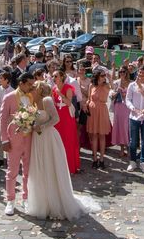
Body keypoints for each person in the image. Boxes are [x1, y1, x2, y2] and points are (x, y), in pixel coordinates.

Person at [25, 82, 97, 220]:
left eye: (34, 87)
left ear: (40, 89)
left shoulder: (46, 100)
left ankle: (55, 202)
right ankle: (42, 202)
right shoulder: (33, 102)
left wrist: (42, 127)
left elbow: (55, 119)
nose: (31, 89)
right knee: (40, 168)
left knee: (50, 167)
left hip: (48, 137)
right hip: (38, 140)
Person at [0, 72, 35, 215]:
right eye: (29, 84)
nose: (32, 87)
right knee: (12, 170)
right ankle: (10, 200)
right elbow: (2, 120)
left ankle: (26, 198)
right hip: (14, 139)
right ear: (21, 83)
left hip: (29, 138)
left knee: (28, 171)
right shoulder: (9, 97)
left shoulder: (32, 97)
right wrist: (4, 140)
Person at [126, 66, 144, 173]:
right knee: (133, 141)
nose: (140, 75)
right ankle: (132, 161)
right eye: (139, 73)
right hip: (134, 116)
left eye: (142, 73)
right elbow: (128, 99)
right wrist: (133, 108)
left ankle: (143, 161)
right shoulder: (132, 85)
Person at [52, 70, 80, 174]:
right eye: (53, 76)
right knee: (58, 141)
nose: (54, 78)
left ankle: (70, 166)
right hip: (57, 117)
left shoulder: (68, 88)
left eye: (56, 76)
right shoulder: (53, 88)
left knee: (67, 140)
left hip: (66, 116)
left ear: (62, 77)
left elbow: (69, 103)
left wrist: (61, 95)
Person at [86, 69, 111, 169]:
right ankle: (95, 159)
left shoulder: (106, 86)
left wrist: (109, 77)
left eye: (104, 75)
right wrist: (87, 104)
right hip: (92, 110)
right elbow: (89, 98)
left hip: (102, 110)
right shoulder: (91, 85)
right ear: (97, 76)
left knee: (102, 135)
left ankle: (102, 160)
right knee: (94, 135)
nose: (103, 77)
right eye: (102, 75)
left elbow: (112, 86)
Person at [111, 66, 131, 159]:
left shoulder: (131, 83)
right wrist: (117, 91)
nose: (122, 73)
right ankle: (122, 149)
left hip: (128, 107)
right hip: (118, 106)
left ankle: (129, 148)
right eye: (120, 71)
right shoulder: (116, 83)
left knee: (127, 127)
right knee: (120, 127)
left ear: (127, 72)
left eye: (124, 71)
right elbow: (112, 97)